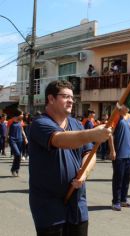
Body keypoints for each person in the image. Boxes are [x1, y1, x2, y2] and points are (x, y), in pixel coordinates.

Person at [28, 80, 112, 236]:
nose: (71, 101)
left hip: (77, 202)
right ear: (51, 99)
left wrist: (84, 173)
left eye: (72, 97)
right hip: (49, 206)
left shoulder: (76, 123)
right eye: (65, 96)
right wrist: (93, 133)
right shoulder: (40, 123)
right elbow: (60, 140)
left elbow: (88, 153)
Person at [108, 105, 130, 211]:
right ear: (121, 106)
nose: (128, 107)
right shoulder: (116, 116)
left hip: (128, 153)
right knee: (118, 178)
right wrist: (112, 150)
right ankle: (115, 201)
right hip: (119, 153)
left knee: (127, 178)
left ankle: (123, 200)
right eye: (126, 105)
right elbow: (109, 133)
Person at [8, 108, 27, 176]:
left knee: (18, 156)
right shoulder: (10, 121)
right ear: (18, 115)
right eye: (22, 114)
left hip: (20, 139)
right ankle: (14, 169)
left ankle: (16, 169)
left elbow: (22, 130)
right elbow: (7, 131)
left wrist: (25, 138)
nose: (23, 115)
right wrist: (5, 141)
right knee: (17, 154)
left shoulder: (21, 121)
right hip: (12, 139)